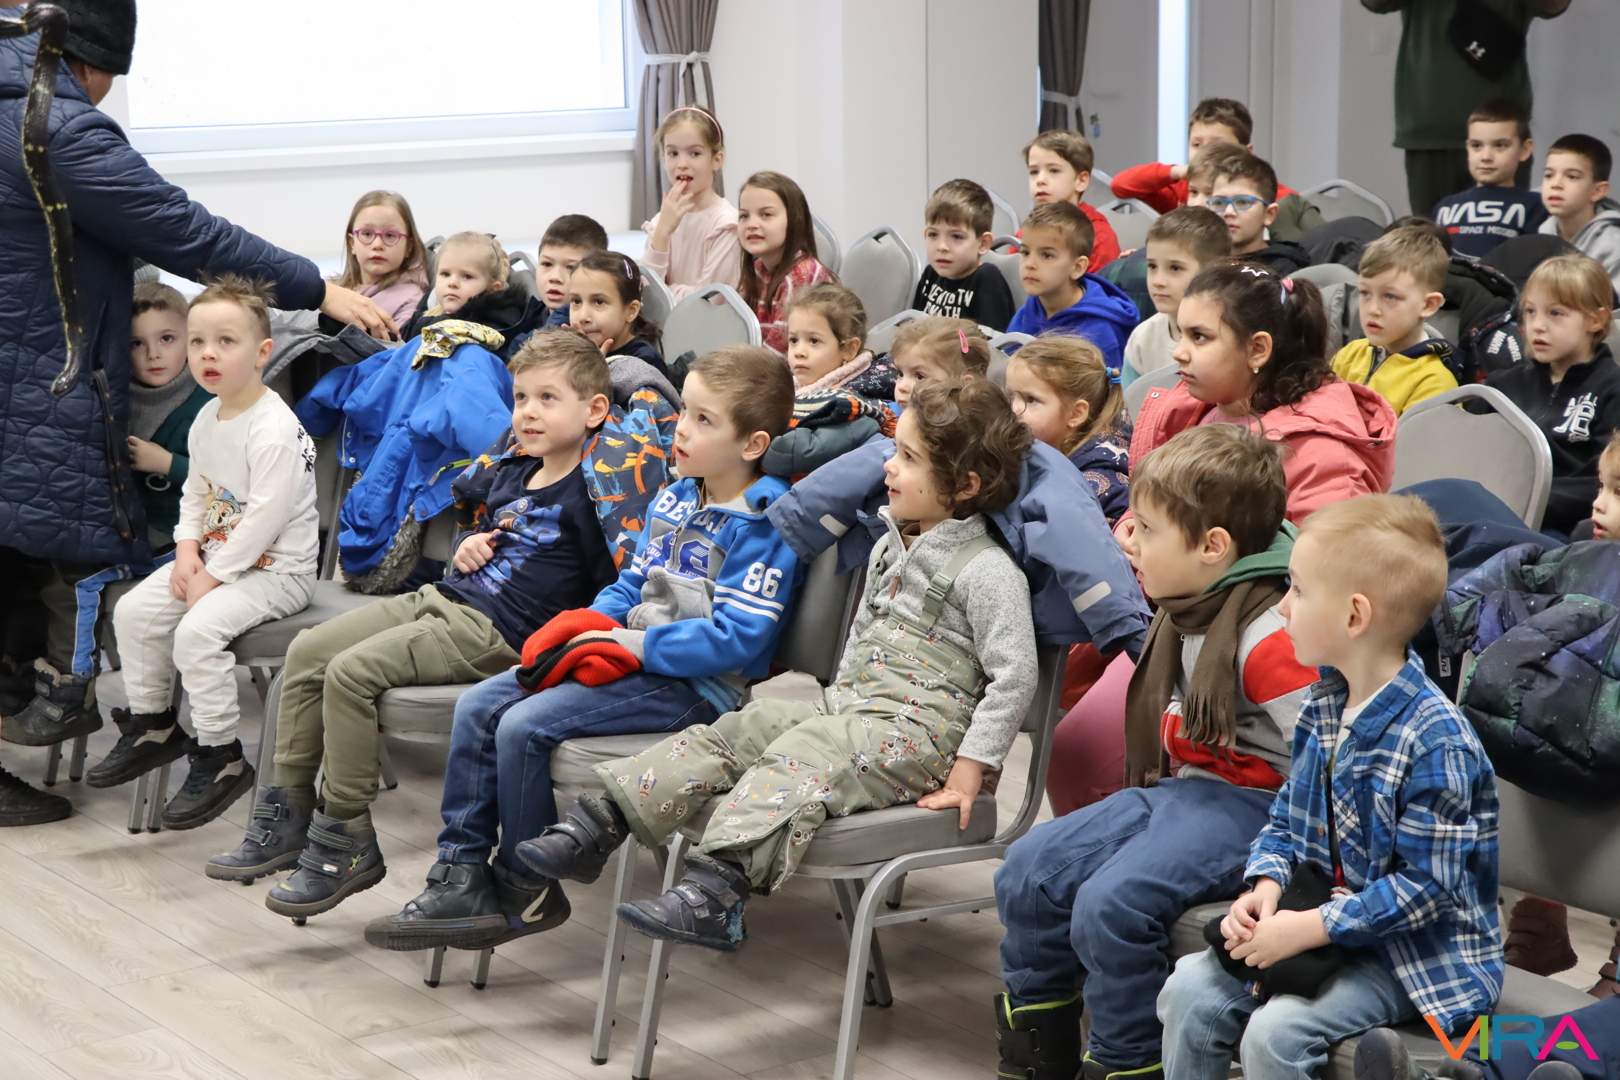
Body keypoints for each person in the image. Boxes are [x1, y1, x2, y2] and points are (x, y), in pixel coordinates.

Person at [0, 1, 393, 826]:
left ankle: (155, 729)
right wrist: (317, 288)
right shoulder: (54, 129)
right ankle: (155, 729)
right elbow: (186, 231)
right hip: (29, 385)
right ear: (88, 62)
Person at [521, 378, 1037, 951]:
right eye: (896, 451)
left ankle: (717, 892)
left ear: (965, 485)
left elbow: (1015, 677)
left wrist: (972, 765)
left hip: (922, 739)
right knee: (746, 726)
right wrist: (836, 703)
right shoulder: (889, 544)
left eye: (909, 458)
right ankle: (602, 823)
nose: (889, 467)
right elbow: (861, 641)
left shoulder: (989, 572)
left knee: (806, 755)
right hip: (852, 713)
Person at [363, 345, 801, 953]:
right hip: (628, 656)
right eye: (684, 412)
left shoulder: (766, 523)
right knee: (480, 704)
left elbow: (737, 640)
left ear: (753, 444)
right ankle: (459, 872)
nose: (680, 429)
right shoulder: (677, 496)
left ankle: (523, 885)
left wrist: (629, 644)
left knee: (523, 727)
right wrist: (583, 626)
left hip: (695, 689)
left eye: (704, 420)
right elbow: (630, 584)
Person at [205, 332, 621, 917]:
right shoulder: (513, 469)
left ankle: (344, 835)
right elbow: (493, 533)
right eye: (521, 397)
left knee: (350, 674)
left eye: (547, 398)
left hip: (499, 633)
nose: (528, 412)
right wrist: (472, 543)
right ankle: (286, 814)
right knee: (308, 651)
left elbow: (614, 586)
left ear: (595, 410)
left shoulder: (596, 493)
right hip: (446, 598)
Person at [994, 424, 1318, 1080]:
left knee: (1112, 902)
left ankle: (1127, 1061)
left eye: (1145, 528)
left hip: (1262, 809)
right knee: (1027, 869)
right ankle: (1039, 1055)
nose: (1127, 539)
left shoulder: (1270, 635)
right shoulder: (1187, 605)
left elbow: (1327, 763)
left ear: (1212, 547)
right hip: (1188, 790)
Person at [1159, 494, 1502, 1080]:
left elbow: (1426, 891)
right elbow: (1285, 821)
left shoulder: (1437, 742)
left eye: (1297, 589)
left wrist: (1306, 928)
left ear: (1354, 616)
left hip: (1415, 958)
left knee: (1276, 1033)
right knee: (1188, 988)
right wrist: (1267, 885)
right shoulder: (1324, 704)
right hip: (1324, 926)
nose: (1282, 606)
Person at [92, 279, 320, 830]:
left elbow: (264, 521)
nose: (207, 354)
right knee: (134, 611)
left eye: (225, 341)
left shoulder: (273, 429)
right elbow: (195, 492)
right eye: (197, 342)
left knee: (196, 632)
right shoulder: (207, 417)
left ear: (263, 353)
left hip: (278, 571)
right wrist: (187, 552)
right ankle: (153, 724)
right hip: (217, 557)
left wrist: (211, 576)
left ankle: (221, 755)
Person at [1131, 261, 1396, 526]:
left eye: (1199, 336)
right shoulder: (1190, 409)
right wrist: (1132, 524)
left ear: (1257, 349)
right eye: (1182, 334)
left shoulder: (1320, 457)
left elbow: (1331, 550)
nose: (1179, 353)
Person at [1361, 0, 1569, 221]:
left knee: (1504, 232)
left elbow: (1554, 6)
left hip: (1502, 134)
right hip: (1429, 131)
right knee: (1429, 235)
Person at [1480, 253, 1620, 536]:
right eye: (1530, 311)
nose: (1537, 325)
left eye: (1555, 313)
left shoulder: (1613, 389)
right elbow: (1468, 454)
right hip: (1489, 512)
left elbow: (1603, 482)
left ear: (1595, 320)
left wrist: (1526, 498)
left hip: (1562, 529)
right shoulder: (1501, 386)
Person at [1005, 334, 1131, 525]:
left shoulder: (1101, 490)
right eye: (1010, 396)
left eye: (1031, 399)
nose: (1013, 408)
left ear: (1075, 414)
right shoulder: (1032, 448)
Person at [1331, 226, 1457, 416]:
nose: (1372, 309)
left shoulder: (1435, 382)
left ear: (1428, 304)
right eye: (1365, 293)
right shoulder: (1350, 355)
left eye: (1390, 296)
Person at [125, 282, 211, 548]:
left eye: (166, 339)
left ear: (192, 339)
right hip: (129, 525)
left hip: (192, 533)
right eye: (137, 343)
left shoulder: (211, 401)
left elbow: (228, 481)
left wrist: (167, 463)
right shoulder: (113, 396)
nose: (153, 354)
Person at [1110, 98, 1303, 215]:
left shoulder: (1270, 194)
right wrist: (1177, 172)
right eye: (1196, 145)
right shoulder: (1182, 190)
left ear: (1246, 151)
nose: (1205, 152)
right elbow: (1120, 185)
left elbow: (1293, 207)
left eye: (1217, 144)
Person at [1008, 202, 1139, 371]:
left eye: (1047, 255)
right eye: (1025, 252)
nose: (1029, 264)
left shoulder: (1101, 331)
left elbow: (1109, 387)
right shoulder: (1025, 314)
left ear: (1077, 267)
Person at [640, 106, 740, 304]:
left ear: (716, 160)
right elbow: (647, 297)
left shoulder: (727, 224)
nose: (682, 164)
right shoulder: (660, 221)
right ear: (663, 159)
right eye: (673, 153)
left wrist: (666, 291)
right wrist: (662, 233)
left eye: (694, 153)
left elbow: (707, 302)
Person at [1124, 207, 1232, 387]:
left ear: (1215, 271)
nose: (1158, 281)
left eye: (1175, 268)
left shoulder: (1232, 335)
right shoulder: (1142, 338)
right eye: (1152, 266)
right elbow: (1129, 401)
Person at [1431, 99, 1548, 259]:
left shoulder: (1537, 206)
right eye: (1477, 146)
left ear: (1524, 150)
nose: (1486, 157)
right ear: (1467, 147)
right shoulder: (1445, 206)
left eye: (1500, 145)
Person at [736, 171, 835, 357]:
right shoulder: (757, 271)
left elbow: (779, 354)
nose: (751, 224)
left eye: (766, 214)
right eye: (744, 216)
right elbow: (737, 334)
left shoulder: (802, 275)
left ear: (794, 221)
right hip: (759, 368)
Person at [910, 178, 1017, 331]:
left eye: (956, 236)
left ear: (983, 244)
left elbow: (992, 344)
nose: (942, 247)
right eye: (933, 235)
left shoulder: (987, 280)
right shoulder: (930, 274)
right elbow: (913, 331)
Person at [329, 190, 429, 328]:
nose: (377, 245)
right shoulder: (329, 290)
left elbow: (398, 341)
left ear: (408, 246)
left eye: (390, 235)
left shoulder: (411, 300)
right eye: (367, 234)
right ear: (352, 242)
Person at [1024, 129, 1121, 270]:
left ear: (1081, 181)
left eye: (1054, 170)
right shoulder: (1027, 230)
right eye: (1034, 172)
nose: (1040, 180)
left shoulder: (1099, 236)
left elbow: (1098, 282)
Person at [1537, 134, 1620, 291]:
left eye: (1572, 176)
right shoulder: (1540, 236)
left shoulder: (1613, 246)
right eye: (1549, 175)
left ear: (1597, 191)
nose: (1556, 184)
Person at [1207, 152, 1311, 273]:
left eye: (1242, 202)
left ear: (1269, 214)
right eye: (1219, 202)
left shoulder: (1281, 269)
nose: (1228, 212)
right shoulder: (1201, 261)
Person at [567, 250, 665, 368]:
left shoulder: (645, 361)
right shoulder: (570, 353)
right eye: (576, 301)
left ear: (631, 311)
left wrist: (590, 369)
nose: (583, 316)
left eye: (599, 302)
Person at [891, 316, 994, 409]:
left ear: (966, 385)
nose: (902, 387)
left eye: (920, 376)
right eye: (900, 373)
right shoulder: (887, 415)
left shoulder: (980, 423)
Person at [537, 214, 609, 328]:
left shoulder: (599, 331)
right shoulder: (526, 316)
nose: (555, 277)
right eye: (547, 264)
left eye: (571, 267)